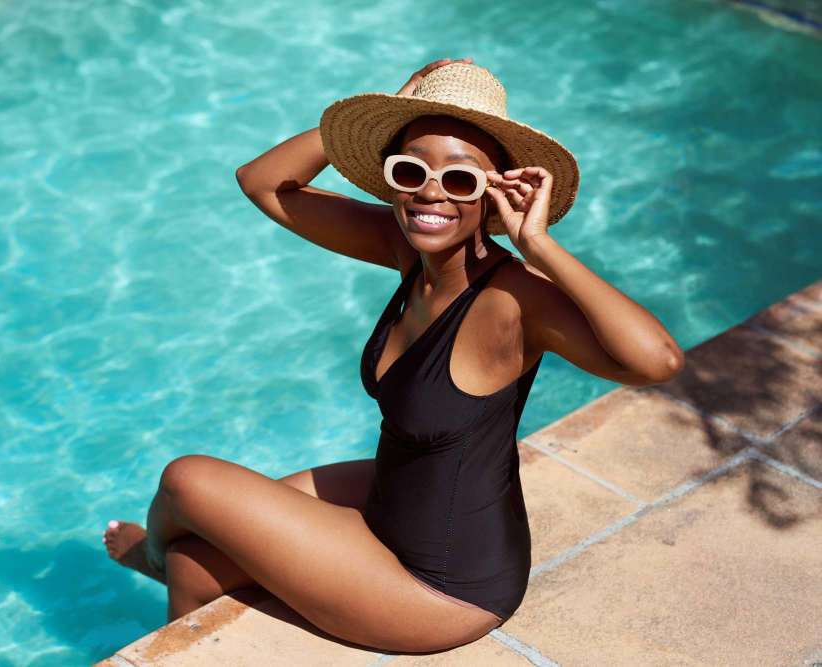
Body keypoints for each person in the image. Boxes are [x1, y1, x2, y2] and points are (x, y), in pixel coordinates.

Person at [102, 58, 685, 653]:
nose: (431, 191)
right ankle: (169, 584)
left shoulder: (515, 299)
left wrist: (538, 243)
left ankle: (151, 556)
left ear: (494, 195)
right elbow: (262, 182)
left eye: (460, 181)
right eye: (412, 171)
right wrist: (391, 107)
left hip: (445, 586)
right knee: (196, 564)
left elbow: (656, 361)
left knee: (187, 481)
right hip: (393, 499)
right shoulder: (407, 251)